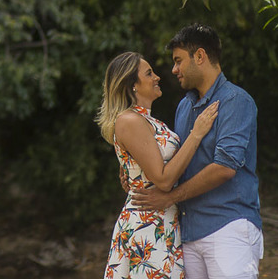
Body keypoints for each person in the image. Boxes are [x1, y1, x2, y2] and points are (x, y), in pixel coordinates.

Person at [131, 23, 263, 279]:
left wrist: (172, 197)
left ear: (200, 56)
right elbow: (175, 161)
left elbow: (225, 168)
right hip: (188, 233)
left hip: (228, 227)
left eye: (178, 61)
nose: (174, 69)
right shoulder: (184, 106)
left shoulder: (235, 101)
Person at [97, 51, 219, 279]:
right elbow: (163, 180)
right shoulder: (130, 120)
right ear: (133, 84)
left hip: (163, 221)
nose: (157, 77)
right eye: (149, 73)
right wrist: (197, 134)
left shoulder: (149, 120)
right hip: (147, 226)